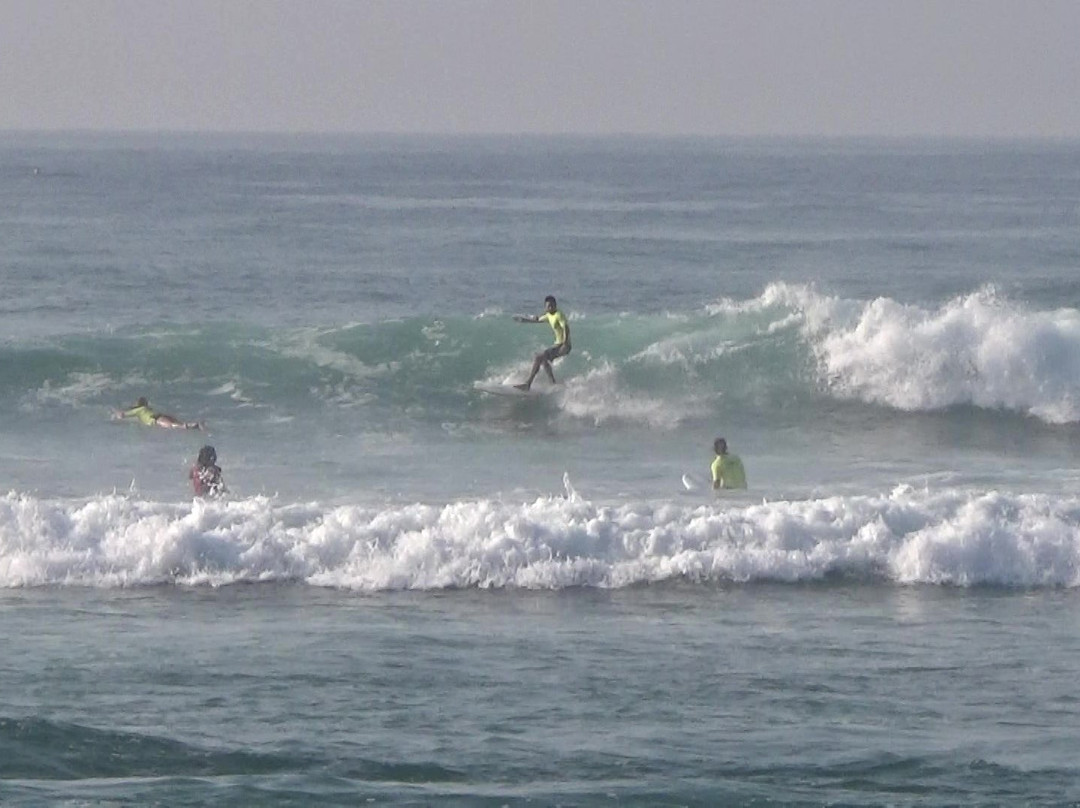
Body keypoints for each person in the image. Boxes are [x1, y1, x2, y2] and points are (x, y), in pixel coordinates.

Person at [513, 295, 571, 390]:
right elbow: (538, 320)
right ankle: (553, 383)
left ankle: (528, 384)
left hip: (563, 345)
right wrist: (524, 320)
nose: (551, 308)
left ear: (556, 305)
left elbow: (566, 328)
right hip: (557, 344)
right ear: (545, 307)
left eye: (552, 305)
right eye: (548, 306)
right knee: (543, 360)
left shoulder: (559, 315)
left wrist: (565, 343)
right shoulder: (549, 315)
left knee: (539, 356)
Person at [113, 397, 203, 430]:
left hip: (156, 419)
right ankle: (193, 426)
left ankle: (193, 426)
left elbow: (122, 415)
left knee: (173, 426)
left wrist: (117, 413)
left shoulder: (138, 410)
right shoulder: (147, 408)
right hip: (161, 415)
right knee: (178, 423)